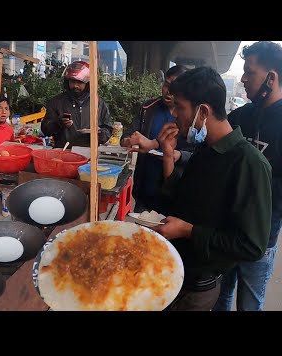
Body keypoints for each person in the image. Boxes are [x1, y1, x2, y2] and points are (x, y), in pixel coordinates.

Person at [151, 66, 272, 311]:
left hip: (197, 287)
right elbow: (180, 200)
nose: (174, 115)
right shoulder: (204, 150)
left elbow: (251, 245)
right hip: (174, 270)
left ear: (203, 111)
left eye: (180, 108)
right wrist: (166, 156)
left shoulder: (249, 164)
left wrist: (188, 231)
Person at [213, 41, 282, 311]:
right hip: (228, 232)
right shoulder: (240, 116)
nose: (243, 78)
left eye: (249, 72)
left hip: (260, 239)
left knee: (249, 304)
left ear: (271, 78)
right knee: (221, 299)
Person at [122, 65, 190, 214]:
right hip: (145, 189)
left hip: (174, 193)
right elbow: (126, 135)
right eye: (167, 84)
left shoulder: (190, 115)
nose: (169, 92)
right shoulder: (148, 108)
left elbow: (200, 153)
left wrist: (178, 155)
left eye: (175, 88)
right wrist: (130, 141)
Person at [41, 61, 113, 148]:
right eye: (72, 81)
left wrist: (100, 133)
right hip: (64, 153)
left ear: (88, 83)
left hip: (89, 154)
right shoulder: (57, 102)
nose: (75, 86)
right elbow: (45, 129)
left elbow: (108, 129)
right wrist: (59, 123)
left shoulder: (98, 103)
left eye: (79, 82)